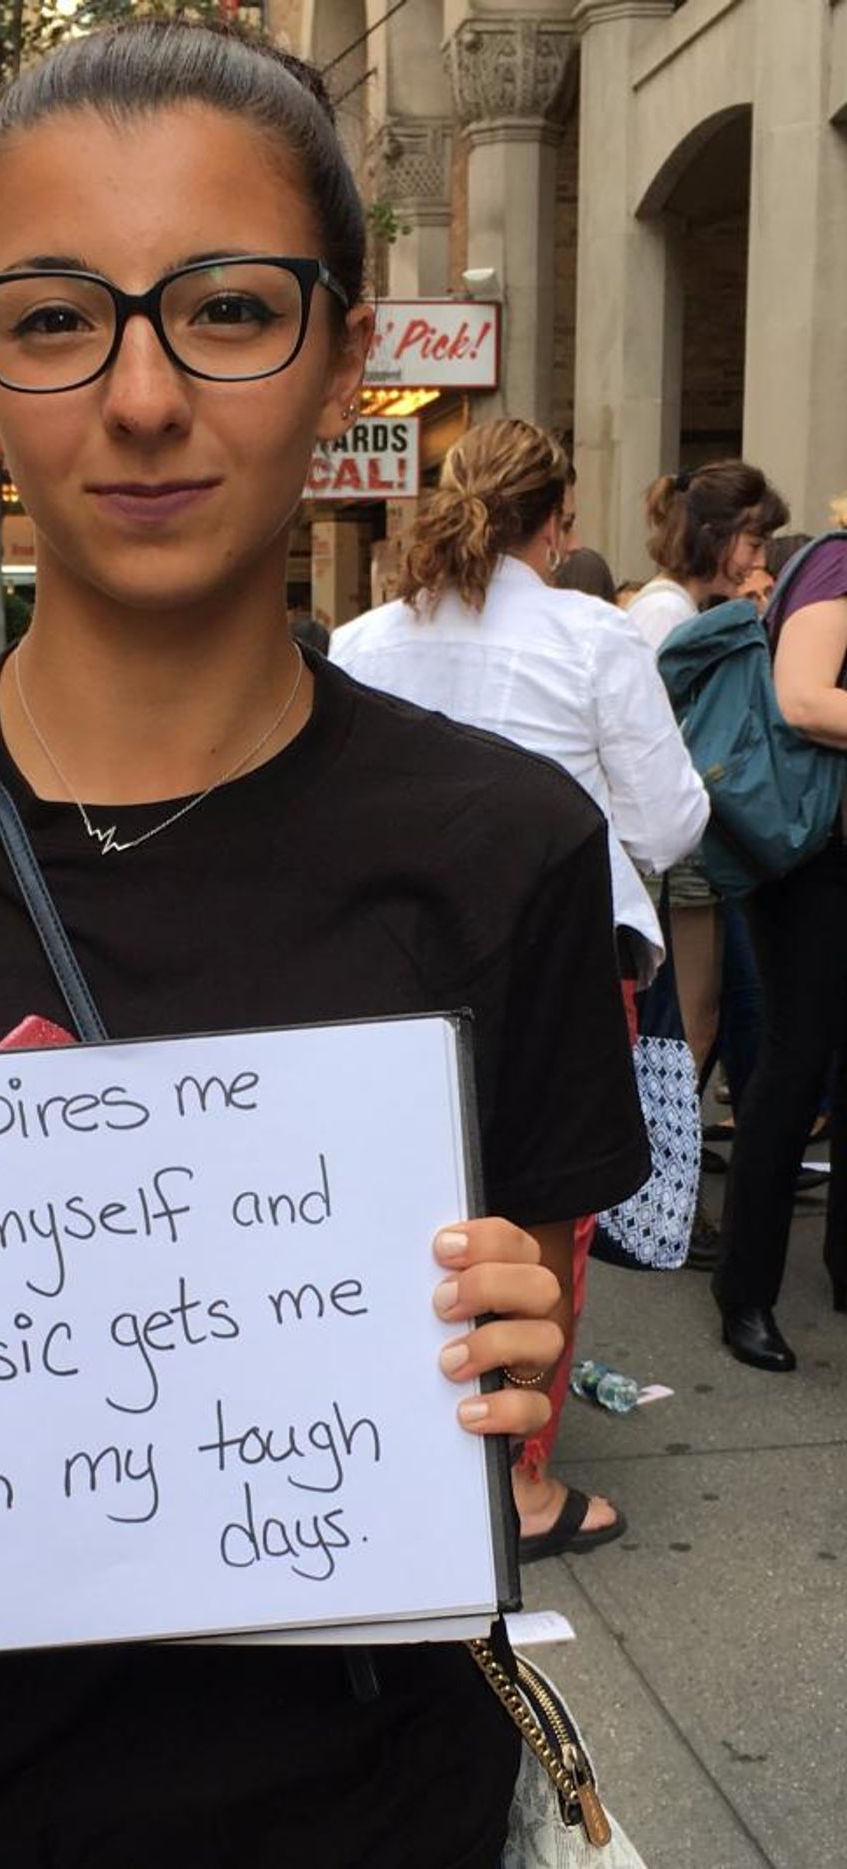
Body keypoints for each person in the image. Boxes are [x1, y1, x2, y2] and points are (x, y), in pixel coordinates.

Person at [0, 22, 648, 1867]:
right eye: (56, 317)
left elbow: (522, 1344)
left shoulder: (509, 848)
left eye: (230, 308)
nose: (146, 395)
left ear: (342, 353)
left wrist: (507, 1341)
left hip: (378, 1813)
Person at [332, 418, 706, 1565]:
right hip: (559, 962)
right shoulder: (589, 636)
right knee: (547, 1213)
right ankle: (519, 1482)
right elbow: (665, 821)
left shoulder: (358, 641)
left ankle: (394, 1439)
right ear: (553, 522)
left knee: (402, 1209)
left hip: (390, 961)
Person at [624, 464, 788, 1236]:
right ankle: (660, 1199)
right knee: (688, 1025)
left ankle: (665, 1191)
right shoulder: (666, 614)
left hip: (690, 845)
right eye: (753, 539)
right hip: (682, 846)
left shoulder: (676, 607)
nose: (760, 556)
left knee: (698, 1020)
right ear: (719, 539)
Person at [714, 519, 847, 1368]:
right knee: (796, 1066)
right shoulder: (836, 563)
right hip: (813, 860)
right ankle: (745, 1289)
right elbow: (801, 697)